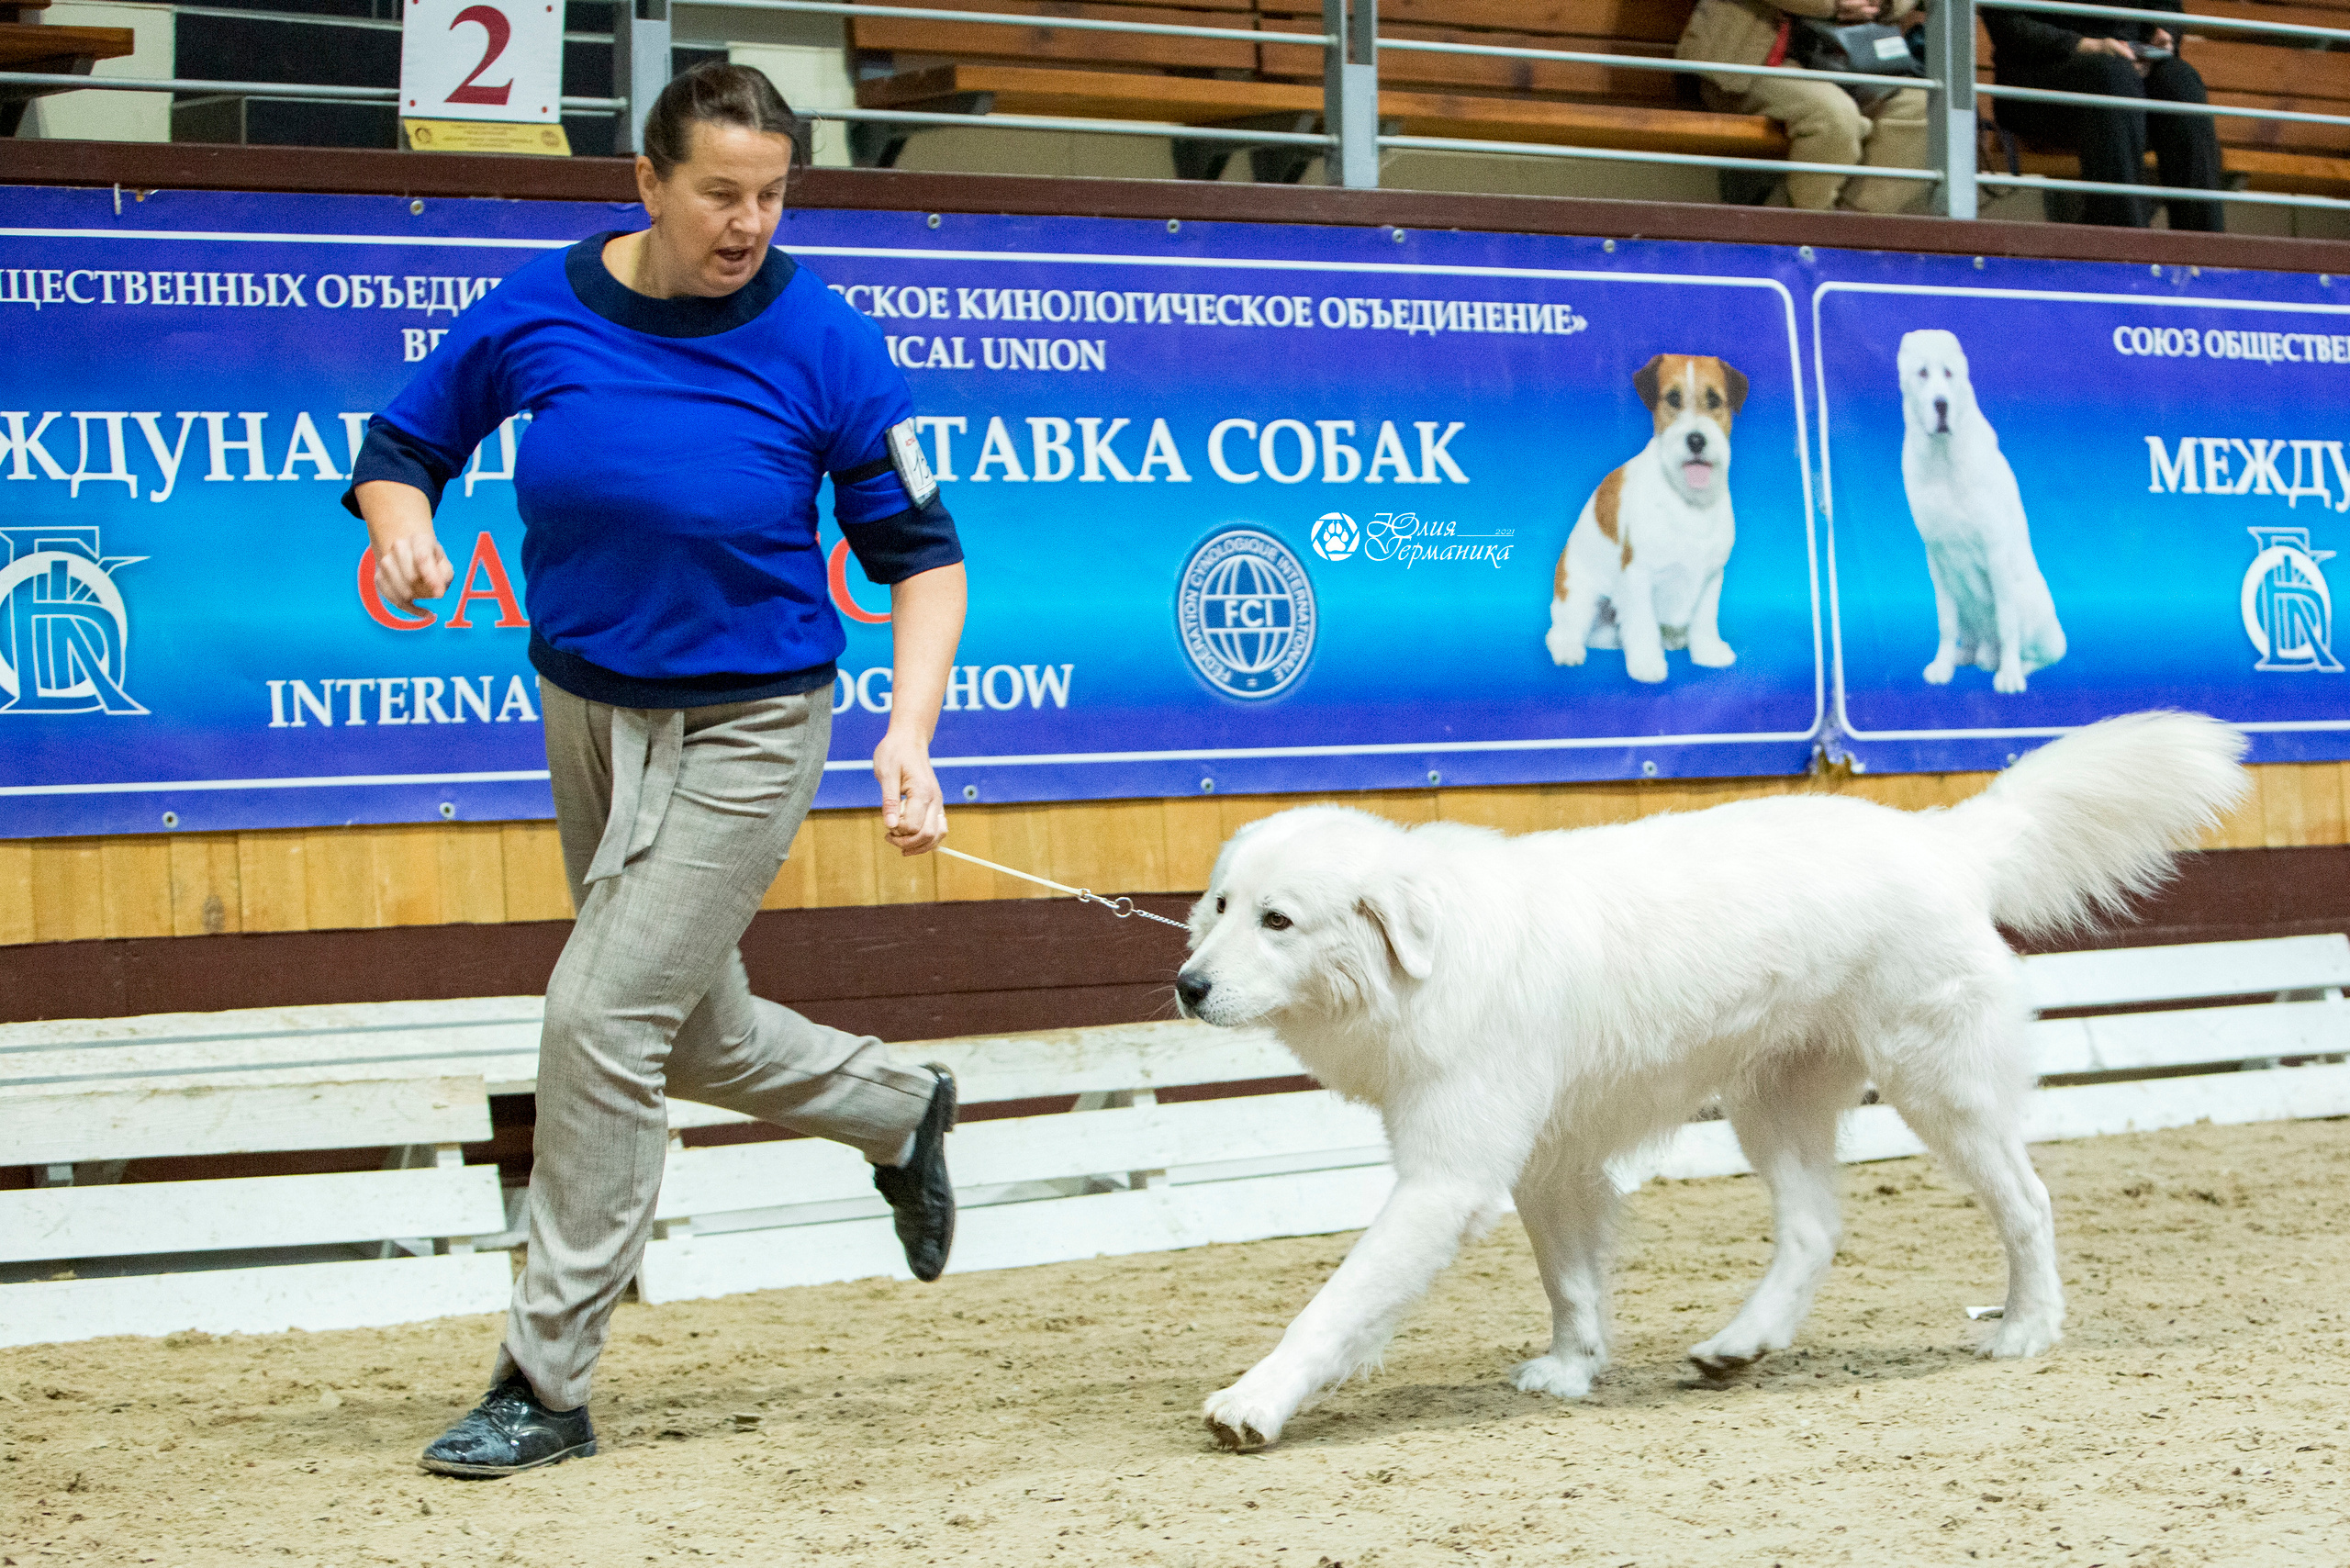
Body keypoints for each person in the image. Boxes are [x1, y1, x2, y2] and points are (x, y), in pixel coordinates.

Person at [345, 62, 968, 1479]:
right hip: (584, 708)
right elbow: (403, 446)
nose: (749, 223)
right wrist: (398, 528)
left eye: (772, 195)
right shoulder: (544, 305)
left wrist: (910, 731)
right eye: (720, 194)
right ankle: (897, 1108)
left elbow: (924, 561)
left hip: (753, 723)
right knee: (688, 1028)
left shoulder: (825, 341)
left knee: (600, 1018)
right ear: (647, 182)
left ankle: (545, 1378)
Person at [1984, 0, 2223, 230]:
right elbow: (2005, 22)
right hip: (2038, 80)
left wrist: (2161, 35)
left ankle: (2206, 253)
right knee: (2112, 75)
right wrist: (2085, 45)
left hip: (2128, 75)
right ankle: (2124, 252)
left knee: (2183, 83)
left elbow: (2165, 6)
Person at [1678, 0, 1930, 214]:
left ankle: (1849, 237)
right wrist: (1833, 3)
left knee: (1921, 107)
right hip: (1754, 57)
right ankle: (1805, 240)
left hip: (1855, 58)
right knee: (1833, 116)